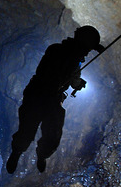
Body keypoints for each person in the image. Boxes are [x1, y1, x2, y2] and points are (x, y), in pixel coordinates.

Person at [6, 26, 104, 174]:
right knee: (27, 130)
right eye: (87, 49)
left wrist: (78, 83)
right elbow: (52, 70)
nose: (86, 53)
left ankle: (42, 155)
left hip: (53, 98)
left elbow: (73, 79)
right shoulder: (57, 50)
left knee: (53, 135)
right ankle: (17, 152)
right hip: (38, 94)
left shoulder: (74, 60)